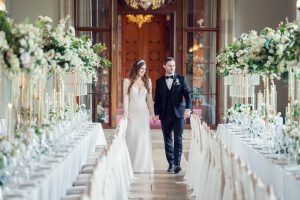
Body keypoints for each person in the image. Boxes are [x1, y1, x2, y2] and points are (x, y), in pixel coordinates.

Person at [154, 57, 192, 174]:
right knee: (167, 139)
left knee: (178, 139)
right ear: (164, 66)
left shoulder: (181, 79)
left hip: (178, 115)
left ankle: (177, 164)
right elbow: (158, 99)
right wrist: (156, 113)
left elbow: (188, 95)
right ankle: (171, 164)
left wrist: (188, 108)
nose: (172, 68)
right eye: (170, 65)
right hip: (165, 114)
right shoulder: (159, 81)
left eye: (174, 65)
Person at [123, 59, 155, 173]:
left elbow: (150, 100)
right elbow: (126, 98)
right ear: (136, 68)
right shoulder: (127, 81)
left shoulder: (148, 81)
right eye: (141, 69)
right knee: (132, 138)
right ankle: (130, 164)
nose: (143, 71)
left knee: (143, 139)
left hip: (143, 113)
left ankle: (142, 165)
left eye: (145, 69)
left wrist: (152, 114)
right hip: (132, 112)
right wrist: (125, 112)